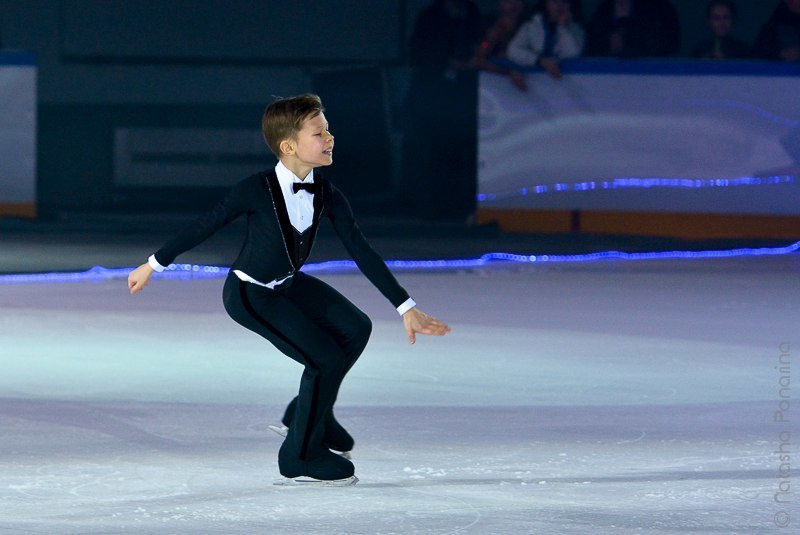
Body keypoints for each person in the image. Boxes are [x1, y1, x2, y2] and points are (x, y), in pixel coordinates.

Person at [127, 94, 451, 486]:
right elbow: (207, 223)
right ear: (289, 146)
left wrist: (405, 307)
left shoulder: (327, 194)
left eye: (328, 130)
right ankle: (298, 457)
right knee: (324, 360)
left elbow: (361, 250)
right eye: (319, 133)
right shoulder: (256, 189)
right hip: (250, 295)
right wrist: (154, 264)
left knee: (356, 328)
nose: (330, 138)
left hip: (287, 285)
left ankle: (307, 414)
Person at [403, 0, 482, 222]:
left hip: (462, 99)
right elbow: (419, 53)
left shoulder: (471, 14)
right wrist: (447, 63)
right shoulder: (430, 17)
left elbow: (479, 46)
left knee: (461, 153)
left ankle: (458, 205)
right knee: (431, 153)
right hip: (432, 97)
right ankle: (430, 207)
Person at [506, 0, 585, 86]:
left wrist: (562, 27)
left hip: (564, 83)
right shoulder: (530, 27)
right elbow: (513, 50)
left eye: (564, 1)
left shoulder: (576, 30)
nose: (560, 5)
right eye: (555, 1)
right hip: (535, 84)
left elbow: (573, 54)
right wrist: (539, 61)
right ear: (546, 4)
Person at [584, 0, 680, 58]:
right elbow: (591, 46)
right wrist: (607, 45)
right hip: (609, 78)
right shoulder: (602, 12)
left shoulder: (660, 9)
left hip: (650, 77)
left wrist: (630, 43)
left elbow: (669, 42)